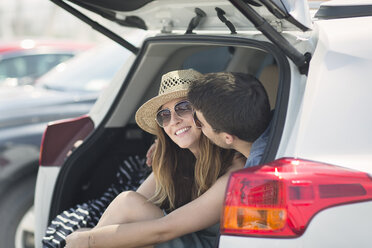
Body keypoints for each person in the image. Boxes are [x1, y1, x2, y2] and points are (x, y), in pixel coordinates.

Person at [64, 69, 244, 248]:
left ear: (205, 112)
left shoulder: (234, 170)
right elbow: (132, 209)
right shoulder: (177, 159)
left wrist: (90, 240)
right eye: (164, 115)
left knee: (121, 208)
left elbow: (164, 230)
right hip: (177, 235)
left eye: (183, 107)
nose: (173, 120)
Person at [188, 72, 272, 168]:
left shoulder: (257, 175)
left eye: (201, 123)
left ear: (228, 138)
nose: (198, 126)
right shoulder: (287, 115)